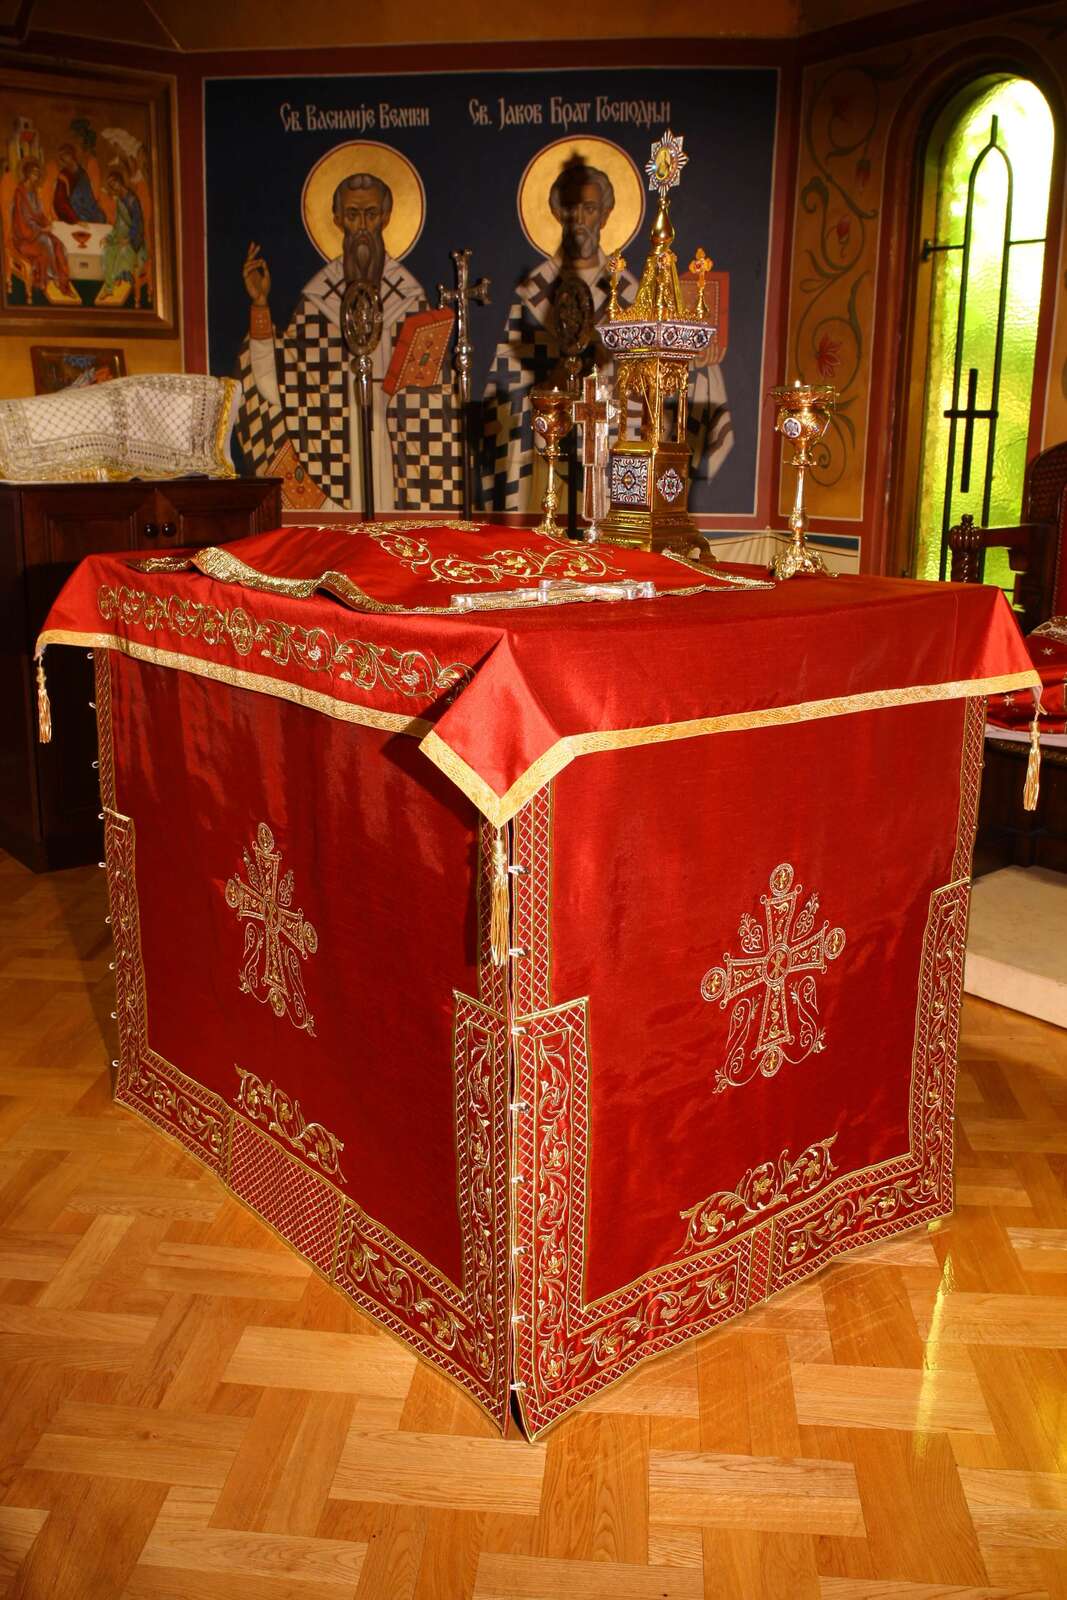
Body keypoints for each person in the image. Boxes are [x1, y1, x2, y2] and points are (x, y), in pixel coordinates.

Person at [482, 154, 732, 513]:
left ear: (605, 214)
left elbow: (662, 374)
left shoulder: (629, 292)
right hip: (553, 443)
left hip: (619, 437)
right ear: (557, 214)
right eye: (571, 209)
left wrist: (699, 362)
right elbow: (506, 382)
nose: (579, 219)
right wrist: (548, 387)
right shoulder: (535, 291)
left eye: (589, 208)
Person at [234, 172, 460, 512]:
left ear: (386, 217)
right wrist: (260, 308)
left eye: (371, 214)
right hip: (334, 455)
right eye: (353, 215)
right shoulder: (319, 298)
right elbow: (278, 382)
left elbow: (434, 394)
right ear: (338, 220)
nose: (363, 226)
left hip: (396, 453)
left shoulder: (408, 296)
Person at [10, 158, 79, 305]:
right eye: (34, 173)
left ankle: (62, 278)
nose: (36, 177)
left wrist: (47, 223)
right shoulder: (19, 193)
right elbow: (21, 220)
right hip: (24, 236)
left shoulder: (33, 192)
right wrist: (40, 229)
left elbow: (39, 214)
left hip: (37, 231)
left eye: (38, 174)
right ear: (27, 173)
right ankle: (56, 279)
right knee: (47, 242)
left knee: (59, 244)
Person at [96, 164, 147, 307]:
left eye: (114, 183)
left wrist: (129, 239)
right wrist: (109, 237)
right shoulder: (119, 201)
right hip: (120, 237)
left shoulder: (132, 200)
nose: (114, 187)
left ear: (120, 181)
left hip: (134, 241)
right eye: (111, 185)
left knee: (123, 252)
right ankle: (109, 288)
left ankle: (118, 282)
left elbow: (138, 225)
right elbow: (118, 224)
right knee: (107, 251)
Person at [52, 144, 105, 224]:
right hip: (73, 211)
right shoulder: (63, 175)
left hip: (87, 208)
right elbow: (60, 201)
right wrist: (74, 218)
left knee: (101, 217)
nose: (65, 159)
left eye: (67, 155)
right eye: (62, 157)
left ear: (72, 155)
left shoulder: (82, 173)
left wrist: (94, 209)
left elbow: (89, 196)